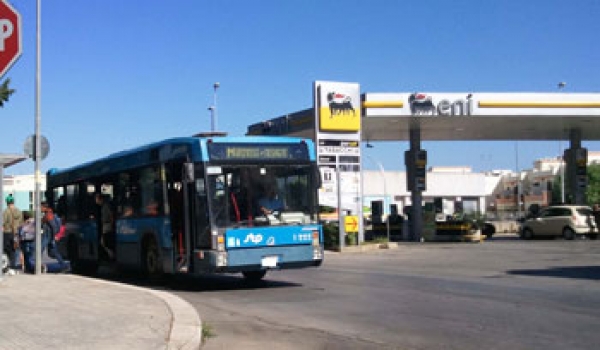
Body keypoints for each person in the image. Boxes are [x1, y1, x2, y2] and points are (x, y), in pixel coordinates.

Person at [41, 202, 68, 272]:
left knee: (39, 250)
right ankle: (64, 265)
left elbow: (54, 226)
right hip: (49, 236)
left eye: (41, 207)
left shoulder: (49, 215)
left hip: (48, 236)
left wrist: (54, 235)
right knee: (54, 252)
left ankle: (37, 266)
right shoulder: (48, 214)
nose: (40, 209)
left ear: (45, 207)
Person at [3, 195, 23, 270]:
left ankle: (7, 265)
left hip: (7, 232)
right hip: (17, 233)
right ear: (13, 202)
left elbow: (3, 223)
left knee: (5, 249)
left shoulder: (6, 211)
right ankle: (14, 265)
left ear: (7, 202)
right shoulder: (19, 211)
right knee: (15, 249)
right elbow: (21, 223)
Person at [95, 193, 115, 260]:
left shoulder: (106, 206)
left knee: (104, 242)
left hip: (107, 225)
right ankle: (110, 255)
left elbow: (111, 215)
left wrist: (111, 225)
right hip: (105, 225)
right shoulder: (103, 206)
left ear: (100, 199)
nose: (96, 201)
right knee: (103, 242)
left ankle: (111, 255)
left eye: (97, 199)